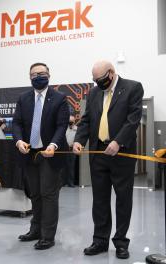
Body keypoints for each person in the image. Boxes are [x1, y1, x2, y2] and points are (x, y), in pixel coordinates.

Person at [73, 60, 143, 259]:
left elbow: (133, 119)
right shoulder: (94, 92)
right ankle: (100, 240)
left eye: (101, 79)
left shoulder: (132, 87)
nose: (98, 84)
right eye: (94, 80)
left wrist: (118, 141)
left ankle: (121, 242)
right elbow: (86, 120)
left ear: (111, 73)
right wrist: (79, 141)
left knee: (123, 199)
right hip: (98, 154)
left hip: (121, 154)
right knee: (100, 200)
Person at [13, 62, 69, 250]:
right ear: (29, 77)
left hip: (50, 154)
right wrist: (19, 140)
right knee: (35, 194)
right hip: (29, 153)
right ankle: (35, 230)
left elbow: (62, 125)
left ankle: (47, 236)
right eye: (34, 74)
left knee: (48, 194)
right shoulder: (23, 98)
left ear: (49, 75)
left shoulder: (60, 98)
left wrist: (53, 145)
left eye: (42, 73)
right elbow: (17, 123)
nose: (38, 76)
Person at [62, 114, 77, 187]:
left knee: (71, 166)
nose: (70, 123)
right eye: (69, 121)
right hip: (64, 149)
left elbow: (78, 139)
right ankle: (63, 182)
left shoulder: (76, 129)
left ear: (74, 121)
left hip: (72, 150)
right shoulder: (64, 128)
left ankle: (71, 182)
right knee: (63, 166)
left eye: (72, 121)